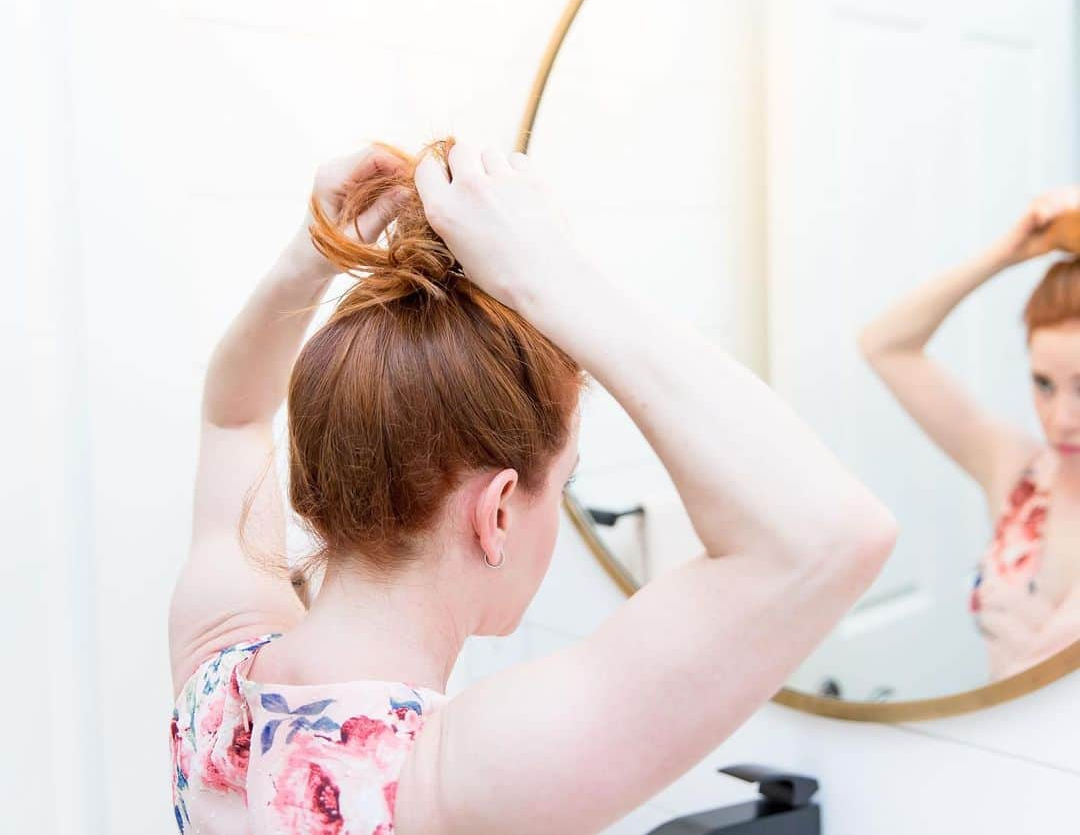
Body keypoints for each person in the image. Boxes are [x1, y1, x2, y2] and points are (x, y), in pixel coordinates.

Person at [168, 138, 897, 835]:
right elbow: (827, 537)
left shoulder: (215, 681)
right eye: (562, 483)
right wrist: (547, 276)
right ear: (498, 514)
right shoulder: (442, 784)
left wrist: (311, 254)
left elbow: (232, 415)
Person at [859, 186, 1080, 682]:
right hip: (1000, 753)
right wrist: (1008, 254)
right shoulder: (1019, 474)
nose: (1061, 418)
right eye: (1043, 385)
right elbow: (885, 346)